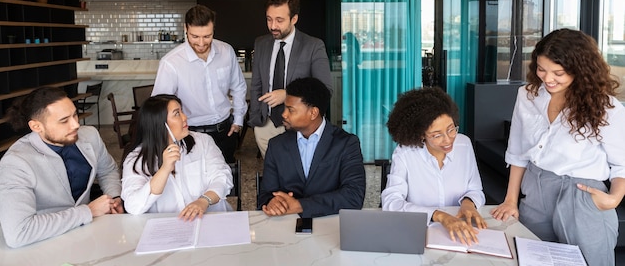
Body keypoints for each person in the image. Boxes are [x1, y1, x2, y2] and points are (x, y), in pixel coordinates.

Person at [490, 28, 625, 266]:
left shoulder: (606, 107)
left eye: (558, 73)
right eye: (541, 69)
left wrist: (614, 198)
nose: (548, 78)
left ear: (581, 69)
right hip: (536, 190)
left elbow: (622, 163)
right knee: (532, 259)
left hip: (582, 194)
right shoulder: (528, 95)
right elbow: (518, 151)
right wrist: (511, 199)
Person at [0, 87, 123, 248]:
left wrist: (114, 197)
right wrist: (88, 211)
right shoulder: (16, 163)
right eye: (64, 120)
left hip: (87, 235)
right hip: (43, 243)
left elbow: (107, 170)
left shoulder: (90, 135)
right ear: (36, 126)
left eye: (75, 114)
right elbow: (19, 232)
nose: (76, 124)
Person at [381, 87, 487, 245]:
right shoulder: (405, 153)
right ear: (421, 134)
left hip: (461, 233)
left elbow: (475, 189)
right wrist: (439, 215)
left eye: (451, 129)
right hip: (419, 233)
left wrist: (468, 204)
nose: (448, 140)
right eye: (437, 135)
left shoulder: (464, 144)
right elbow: (391, 202)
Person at [258, 77, 366, 218]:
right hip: (286, 224)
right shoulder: (276, 145)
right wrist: (272, 202)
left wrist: (301, 205)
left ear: (313, 113)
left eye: (291, 110)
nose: (284, 114)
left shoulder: (346, 144)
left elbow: (354, 196)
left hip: (331, 223)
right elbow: (265, 195)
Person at [152, 5, 247, 163]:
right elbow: (159, 106)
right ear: (185, 29)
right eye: (195, 37)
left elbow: (238, 86)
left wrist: (238, 121)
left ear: (213, 30)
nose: (201, 43)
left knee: (227, 179)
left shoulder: (226, 51)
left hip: (225, 131)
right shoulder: (171, 63)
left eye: (207, 36)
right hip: (190, 133)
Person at [249, 0, 333, 158]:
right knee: (274, 174)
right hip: (266, 125)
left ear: (294, 19)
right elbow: (256, 85)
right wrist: (255, 121)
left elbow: (325, 89)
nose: (273, 26)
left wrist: (287, 94)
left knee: (300, 175)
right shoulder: (261, 43)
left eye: (279, 20)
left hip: (301, 126)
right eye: (269, 19)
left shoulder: (313, 46)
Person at [122, 94, 233, 218]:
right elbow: (133, 206)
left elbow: (222, 177)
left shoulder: (203, 142)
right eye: (177, 114)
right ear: (159, 124)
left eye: (182, 111)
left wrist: (203, 201)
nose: (185, 117)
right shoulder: (136, 159)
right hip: (166, 228)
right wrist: (164, 170)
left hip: (211, 219)